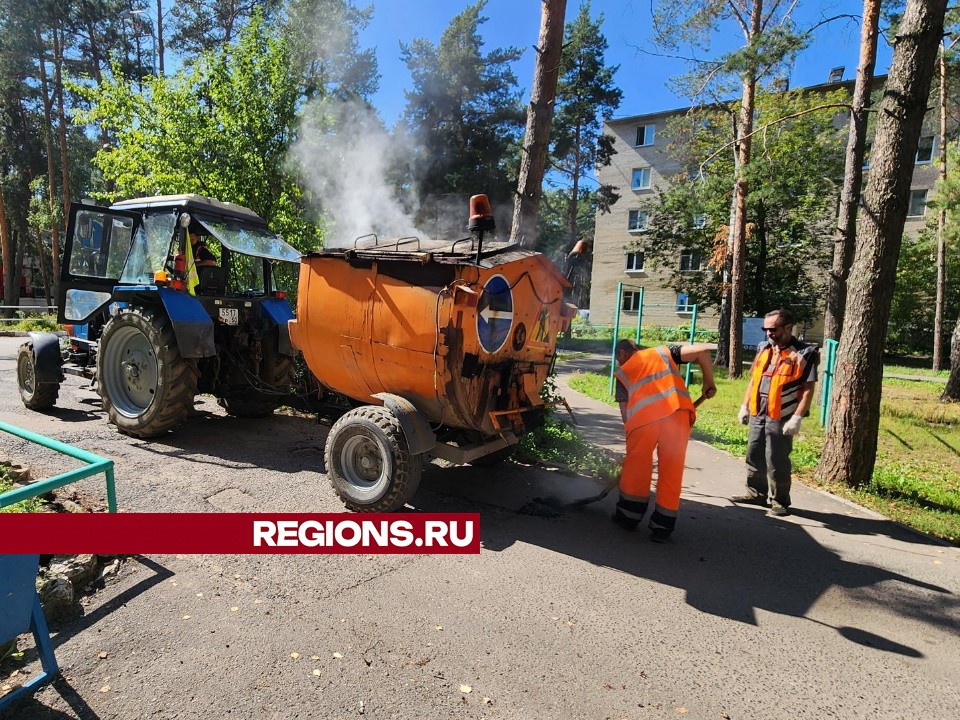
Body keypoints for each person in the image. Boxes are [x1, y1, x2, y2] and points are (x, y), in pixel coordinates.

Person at [613, 339, 717, 542]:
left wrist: (631, 445)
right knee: (672, 471)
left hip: (643, 422)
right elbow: (703, 351)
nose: (618, 362)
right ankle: (663, 526)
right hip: (677, 419)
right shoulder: (663, 353)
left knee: (637, 469)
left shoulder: (623, 372)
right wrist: (708, 382)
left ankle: (628, 517)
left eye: (618, 358)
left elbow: (626, 413)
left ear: (622, 353)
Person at [732, 308, 818, 517]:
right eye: (766, 329)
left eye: (773, 329)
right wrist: (745, 406)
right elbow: (754, 380)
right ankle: (756, 493)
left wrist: (797, 417)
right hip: (758, 411)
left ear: (788, 327)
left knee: (776, 458)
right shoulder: (763, 347)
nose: (769, 333)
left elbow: (808, 389)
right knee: (754, 453)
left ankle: (780, 500)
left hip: (781, 415)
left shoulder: (805, 353)